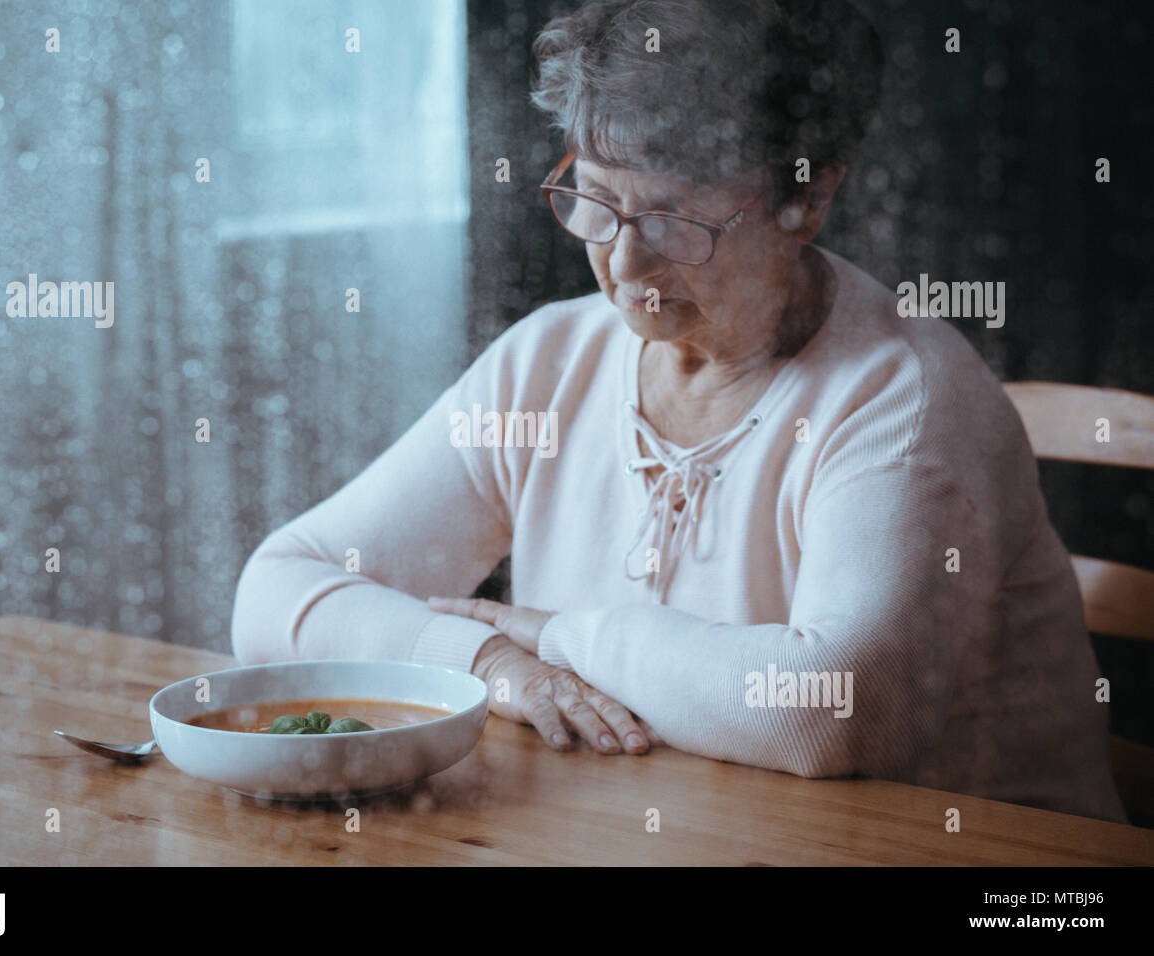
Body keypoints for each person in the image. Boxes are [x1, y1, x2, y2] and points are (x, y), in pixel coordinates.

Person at [231, 0, 1127, 823]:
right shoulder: (551, 362)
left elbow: (836, 713)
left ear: (807, 198)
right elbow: (280, 587)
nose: (623, 269)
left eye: (675, 224)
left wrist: (564, 638)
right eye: (597, 200)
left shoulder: (900, 398)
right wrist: (483, 659)